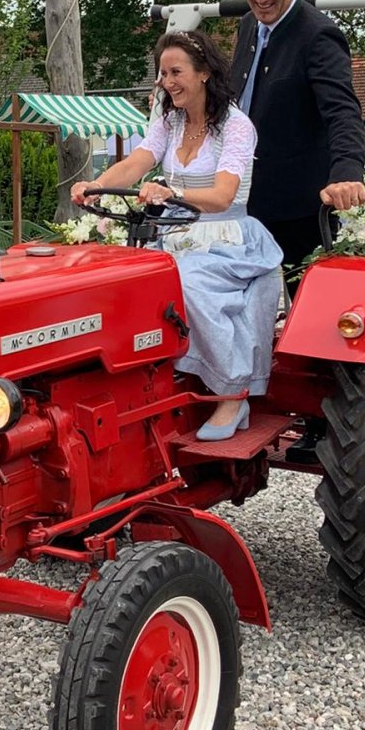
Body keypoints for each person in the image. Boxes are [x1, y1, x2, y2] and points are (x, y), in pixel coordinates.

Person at [71, 30, 282, 441]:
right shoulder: (171, 121)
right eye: (163, 73)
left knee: (184, 283)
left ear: (203, 73)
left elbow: (222, 196)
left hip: (226, 237)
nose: (168, 81)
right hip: (174, 232)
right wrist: (94, 185)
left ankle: (232, 392)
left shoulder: (236, 127)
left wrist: (174, 192)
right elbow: (137, 162)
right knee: (118, 278)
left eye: (176, 72)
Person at [231, 0, 365, 271]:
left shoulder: (318, 35)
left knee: (307, 302)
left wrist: (348, 173)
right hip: (242, 197)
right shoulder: (247, 26)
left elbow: (342, 110)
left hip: (298, 207)